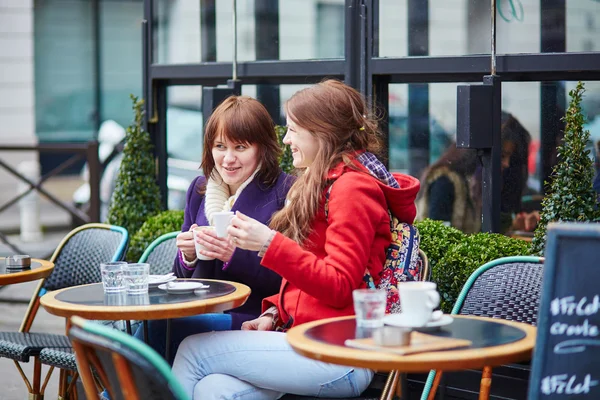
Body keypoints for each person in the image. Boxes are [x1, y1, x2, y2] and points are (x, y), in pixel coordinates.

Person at [171, 79, 420, 399]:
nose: (286, 139)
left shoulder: (352, 189)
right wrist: (273, 313)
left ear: (321, 133)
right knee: (213, 388)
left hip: (342, 353)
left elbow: (340, 283)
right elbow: (310, 276)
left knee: (193, 351)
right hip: (307, 337)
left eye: (293, 129)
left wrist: (269, 243)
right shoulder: (322, 185)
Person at [134, 95, 293, 364]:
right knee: (135, 328)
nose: (228, 158)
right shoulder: (199, 189)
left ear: (263, 148)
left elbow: (289, 276)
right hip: (199, 307)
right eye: (220, 146)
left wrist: (233, 254)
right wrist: (189, 256)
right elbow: (181, 278)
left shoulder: (285, 191)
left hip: (252, 316)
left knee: (155, 329)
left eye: (240, 147)